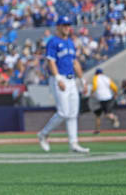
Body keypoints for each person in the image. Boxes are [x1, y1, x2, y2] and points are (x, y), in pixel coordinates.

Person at [37, 16, 90, 153]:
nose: (67, 27)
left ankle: (74, 143)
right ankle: (43, 134)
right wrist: (58, 78)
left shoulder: (71, 42)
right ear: (58, 27)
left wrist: (82, 80)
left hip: (72, 80)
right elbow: (51, 61)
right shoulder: (53, 42)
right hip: (59, 79)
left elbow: (75, 62)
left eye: (68, 25)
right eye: (64, 25)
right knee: (63, 112)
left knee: (73, 114)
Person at [90, 68, 120, 133]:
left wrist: (92, 92)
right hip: (108, 97)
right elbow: (114, 87)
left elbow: (95, 86)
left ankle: (114, 118)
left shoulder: (96, 77)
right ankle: (97, 130)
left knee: (100, 114)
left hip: (100, 98)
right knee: (100, 114)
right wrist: (115, 93)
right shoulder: (106, 78)